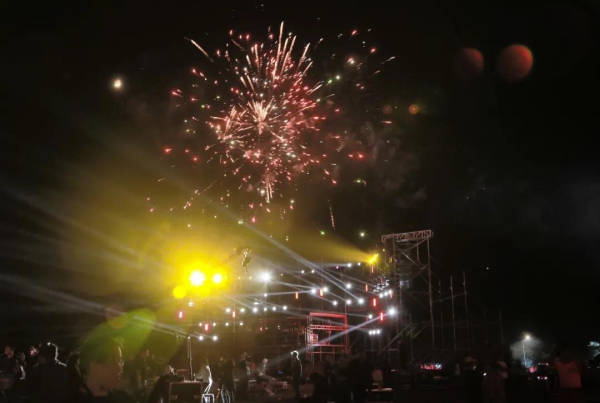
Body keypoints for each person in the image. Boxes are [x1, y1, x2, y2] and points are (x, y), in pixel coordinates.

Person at [65, 335, 134, 402]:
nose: (119, 368)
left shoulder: (126, 400)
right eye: (113, 361)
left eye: (120, 361)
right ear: (94, 365)